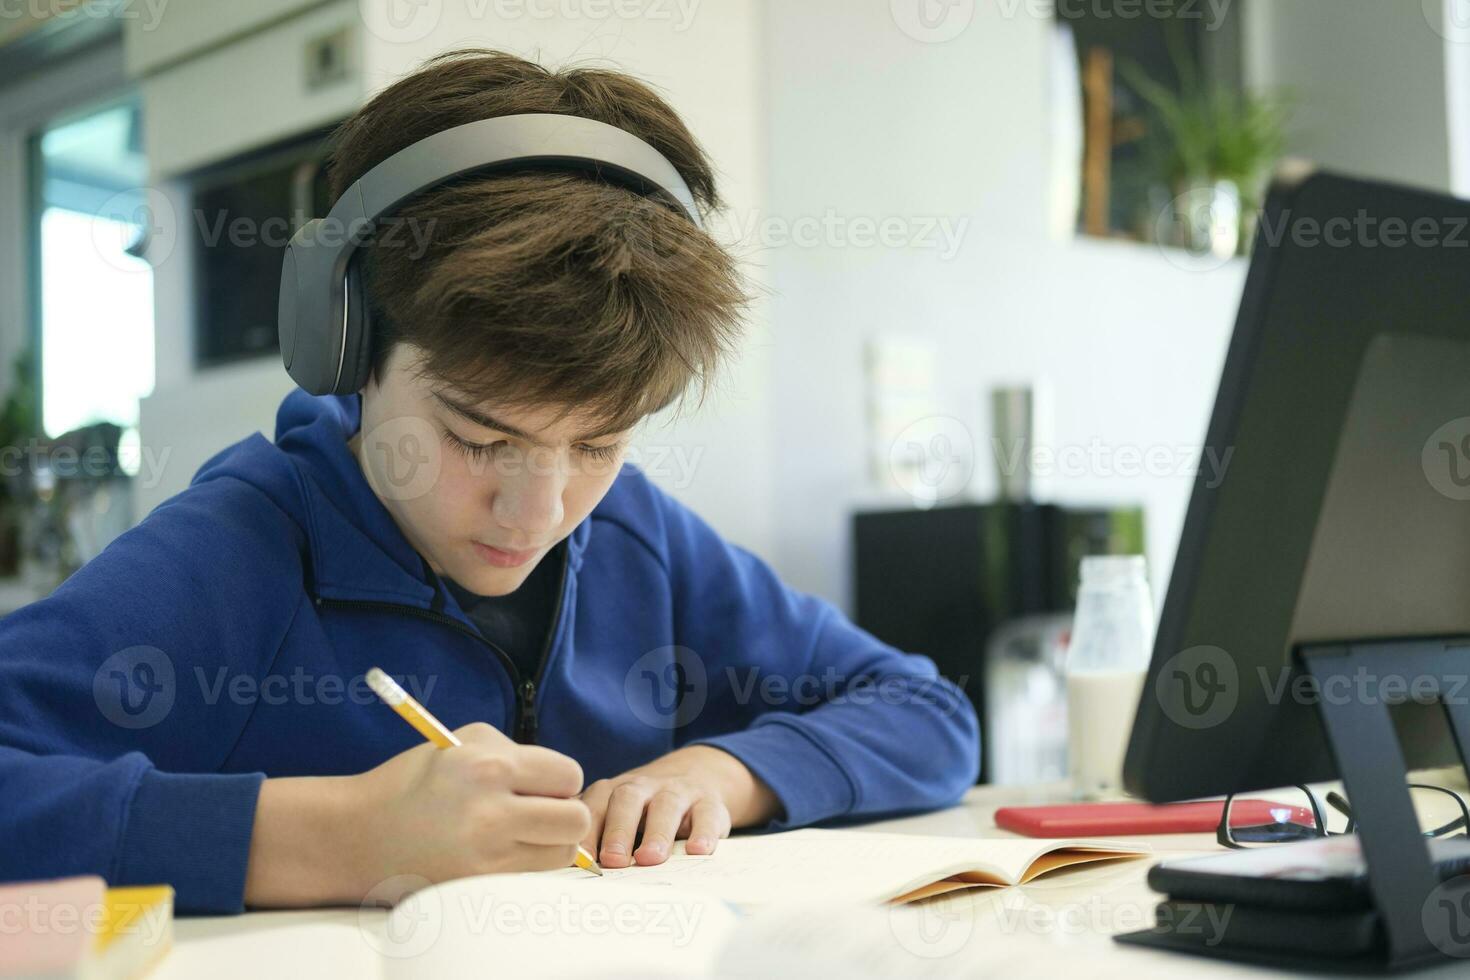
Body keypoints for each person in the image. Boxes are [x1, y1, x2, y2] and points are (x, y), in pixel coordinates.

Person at [0, 48, 979, 914]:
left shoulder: (644, 536)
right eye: (477, 436)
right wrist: (335, 833)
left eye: (597, 445)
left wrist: (726, 770)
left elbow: (927, 713)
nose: (541, 511)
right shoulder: (243, 545)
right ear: (349, 347)